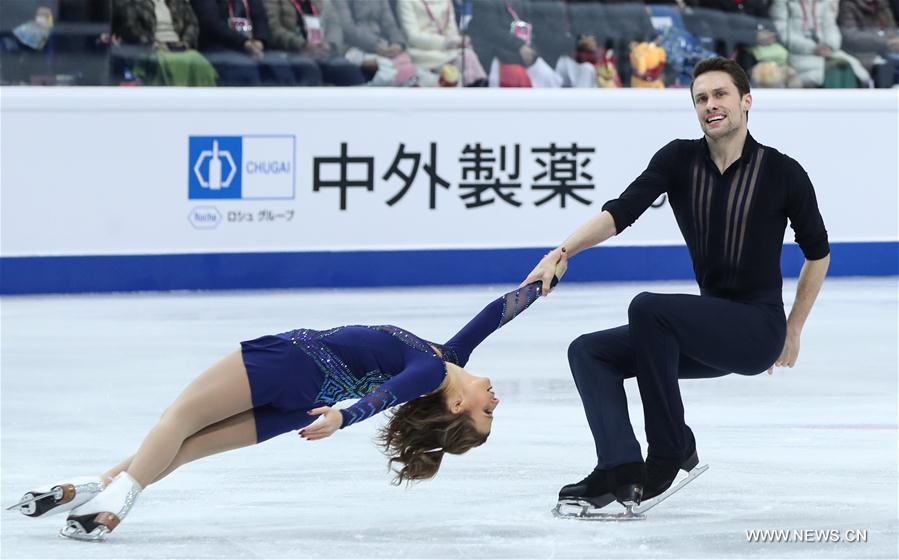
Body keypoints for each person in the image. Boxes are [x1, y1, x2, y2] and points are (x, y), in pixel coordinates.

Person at [10, 270, 565, 541]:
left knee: (175, 422)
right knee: (181, 450)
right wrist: (544, 278)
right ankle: (82, 489)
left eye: (487, 411)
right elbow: (496, 313)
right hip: (299, 404)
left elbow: (383, 396)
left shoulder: (429, 372)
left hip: (290, 364)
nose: (496, 400)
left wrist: (345, 417)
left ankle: (113, 507)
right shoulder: (448, 359)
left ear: (456, 405)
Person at [521, 57, 830, 516]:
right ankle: (619, 467)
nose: (711, 105)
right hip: (700, 332)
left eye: (721, 94)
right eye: (701, 98)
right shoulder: (678, 160)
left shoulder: (783, 173)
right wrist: (560, 254)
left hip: (756, 329)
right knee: (589, 352)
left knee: (649, 308)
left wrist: (794, 328)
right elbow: (619, 212)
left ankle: (669, 448)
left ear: (746, 102)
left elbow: (818, 253)